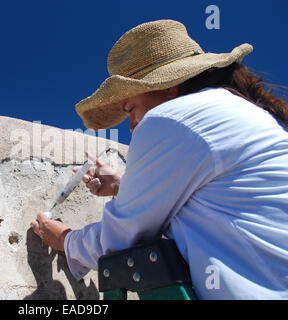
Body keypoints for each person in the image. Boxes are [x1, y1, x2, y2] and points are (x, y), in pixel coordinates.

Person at [30, 19, 288, 299]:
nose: (131, 126)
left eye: (130, 109)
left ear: (168, 87)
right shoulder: (233, 111)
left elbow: (118, 239)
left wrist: (65, 239)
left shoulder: (170, 118)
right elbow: (212, 197)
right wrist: (123, 185)